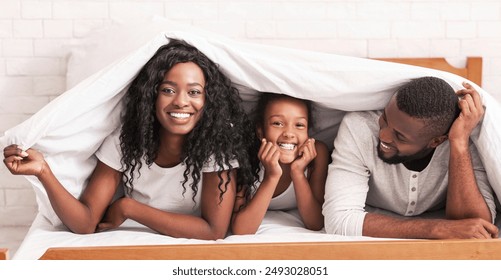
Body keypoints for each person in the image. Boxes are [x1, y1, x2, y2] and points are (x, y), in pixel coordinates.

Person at [3, 39, 258, 240]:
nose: (181, 101)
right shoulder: (124, 142)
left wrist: (129, 208)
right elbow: (86, 222)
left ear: (207, 101)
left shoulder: (217, 147)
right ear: (152, 97)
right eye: (168, 90)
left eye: (194, 92)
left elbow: (213, 231)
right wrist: (43, 172)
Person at [323, 76, 499, 239]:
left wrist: (459, 143)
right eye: (385, 119)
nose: (383, 136)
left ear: (437, 141)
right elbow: (339, 220)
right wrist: (437, 229)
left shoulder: (464, 136)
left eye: (400, 136)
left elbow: (477, 224)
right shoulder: (358, 127)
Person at [231, 93, 329, 234]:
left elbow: (315, 223)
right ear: (260, 132)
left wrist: (298, 173)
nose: (289, 133)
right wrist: (272, 176)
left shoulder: (317, 154)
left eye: (299, 125)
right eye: (277, 123)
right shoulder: (245, 156)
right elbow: (242, 230)